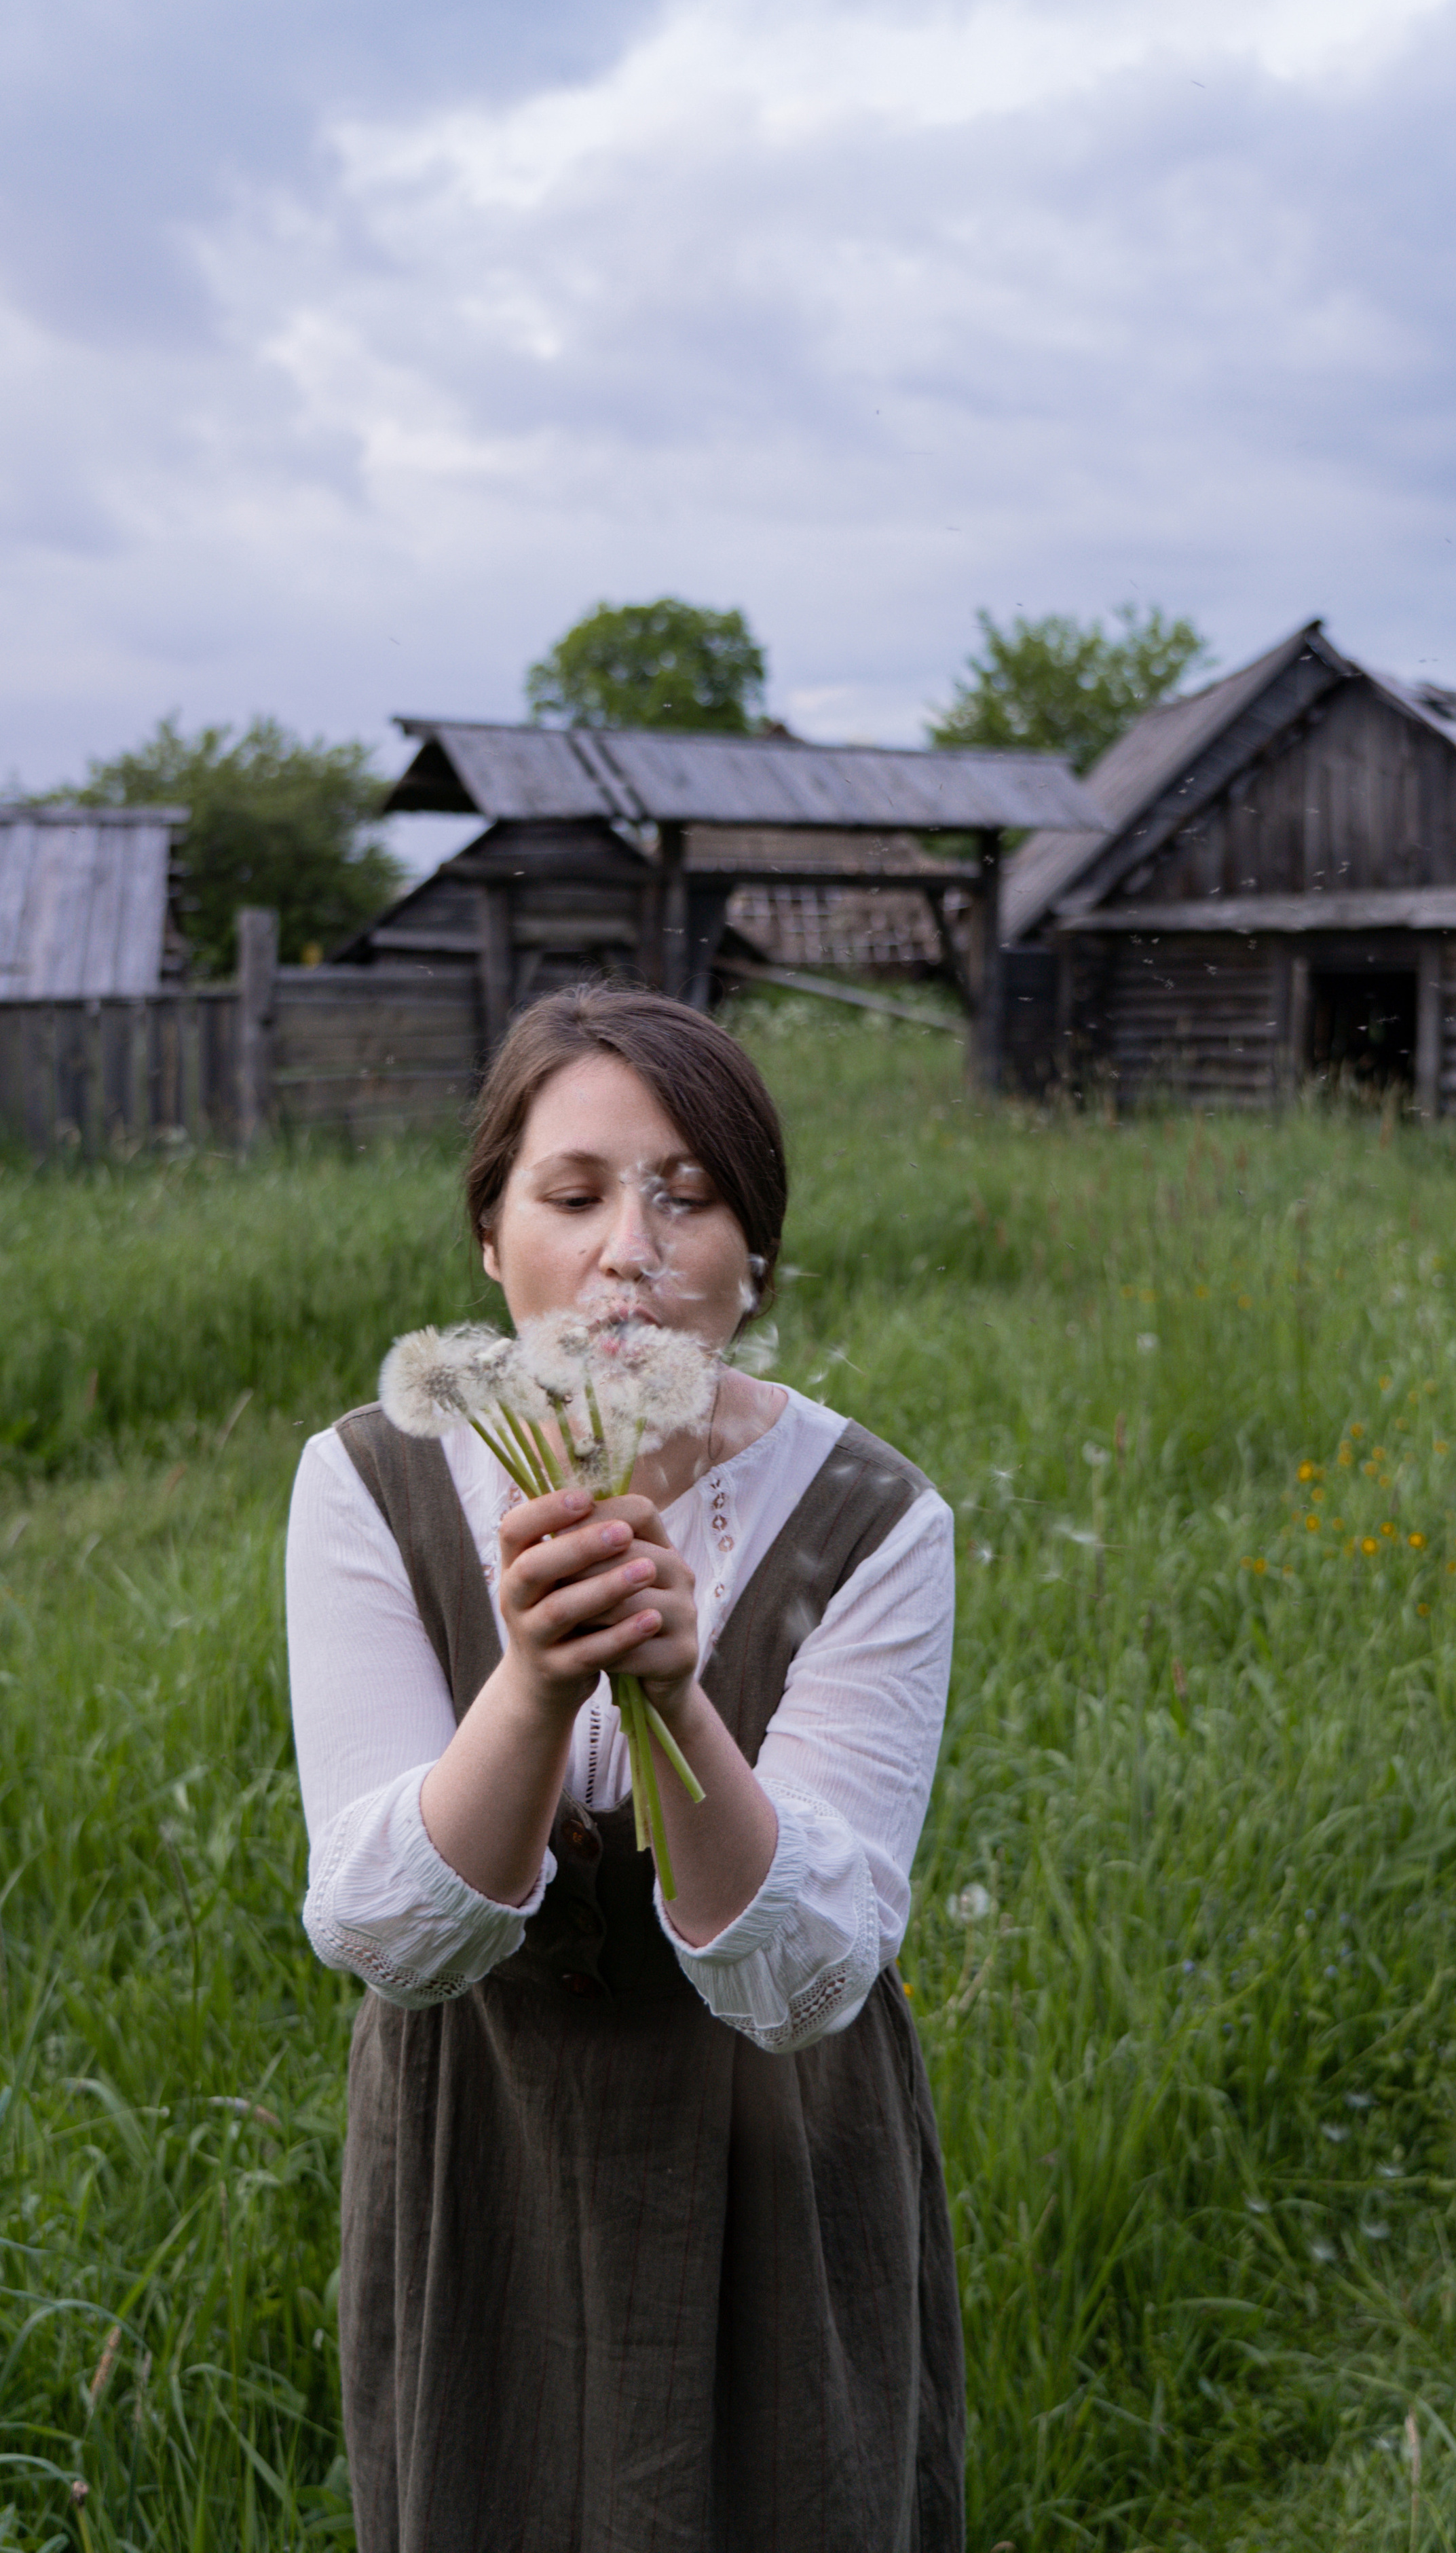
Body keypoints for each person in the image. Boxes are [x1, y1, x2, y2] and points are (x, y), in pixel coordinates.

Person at [286, 987, 964, 2553]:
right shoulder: (368, 1483)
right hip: (484, 2144)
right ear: (490, 1241)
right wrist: (531, 1679)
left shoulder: (876, 1519)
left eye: (689, 1195)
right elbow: (388, 1934)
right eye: (573, 1194)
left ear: (755, 1256)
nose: (629, 1250)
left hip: (775, 2154)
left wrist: (673, 1690)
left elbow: (803, 1980)